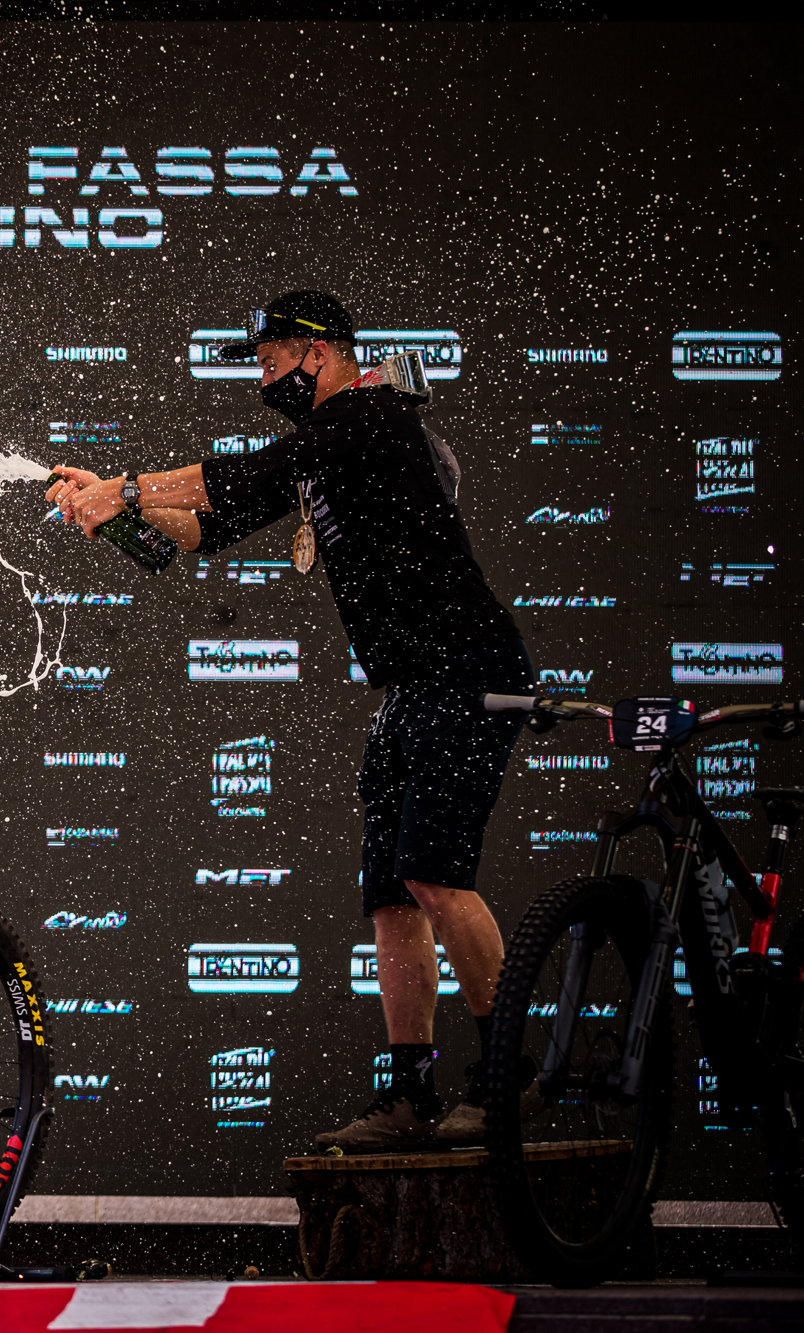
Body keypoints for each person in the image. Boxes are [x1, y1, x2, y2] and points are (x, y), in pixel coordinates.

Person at [49, 291, 533, 1151]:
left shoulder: (369, 417)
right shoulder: (321, 448)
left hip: (469, 673)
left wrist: (122, 483)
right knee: (392, 898)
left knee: (434, 876)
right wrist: (115, 509)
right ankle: (411, 1097)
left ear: (320, 350)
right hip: (409, 690)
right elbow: (201, 527)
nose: (263, 377)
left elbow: (238, 477)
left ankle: (509, 1086)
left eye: (271, 360)